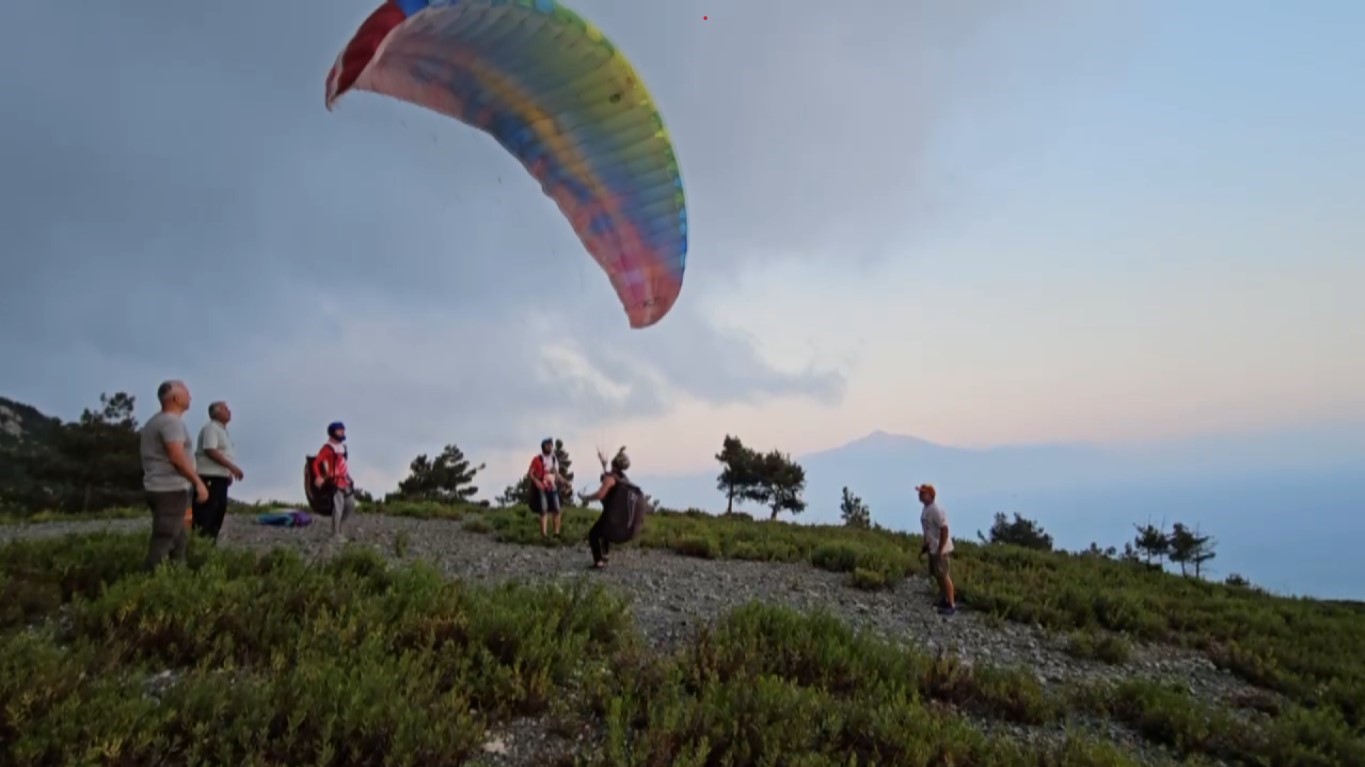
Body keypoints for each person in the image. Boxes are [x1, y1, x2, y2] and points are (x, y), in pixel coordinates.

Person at [138, 380, 208, 571]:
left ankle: (177, 578)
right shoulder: (171, 422)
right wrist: (198, 483)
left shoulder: (156, 421)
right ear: (176, 398)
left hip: (165, 488)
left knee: (179, 539)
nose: (190, 397)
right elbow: (177, 457)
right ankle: (150, 582)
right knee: (165, 538)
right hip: (169, 489)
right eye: (187, 393)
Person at [191, 400, 244, 542]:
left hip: (220, 478)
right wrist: (232, 468)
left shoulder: (222, 431)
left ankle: (209, 548)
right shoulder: (211, 428)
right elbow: (210, 450)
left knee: (217, 515)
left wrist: (227, 473)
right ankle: (199, 548)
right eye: (225, 409)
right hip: (209, 478)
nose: (229, 411)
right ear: (217, 411)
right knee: (206, 516)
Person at [579, 447, 632, 569]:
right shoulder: (623, 478)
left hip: (610, 512)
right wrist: (603, 464)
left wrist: (585, 498)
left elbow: (600, 494)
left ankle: (599, 562)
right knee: (605, 531)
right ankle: (606, 555)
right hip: (619, 513)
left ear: (614, 462)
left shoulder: (610, 477)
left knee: (593, 534)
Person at [312, 421, 355, 541]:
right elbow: (316, 463)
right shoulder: (327, 448)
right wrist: (318, 476)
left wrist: (349, 476)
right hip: (335, 481)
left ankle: (340, 530)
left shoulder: (343, 447)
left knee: (349, 506)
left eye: (343, 430)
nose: (342, 432)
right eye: (339, 430)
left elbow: (344, 464)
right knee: (338, 507)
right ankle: (335, 534)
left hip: (345, 480)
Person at [917, 483, 956, 615]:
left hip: (940, 548)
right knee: (938, 575)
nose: (920, 495)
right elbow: (928, 529)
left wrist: (941, 548)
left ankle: (951, 603)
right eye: (920, 493)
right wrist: (925, 545)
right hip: (933, 547)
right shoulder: (926, 509)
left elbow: (944, 529)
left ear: (930, 495)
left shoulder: (935, 509)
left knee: (944, 575)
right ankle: (944, 598)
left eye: (923, 493)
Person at [528, 437, 569, 539]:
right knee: (544, 510)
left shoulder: (554, 459)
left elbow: (556, 473)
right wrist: (536, 482)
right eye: (548, 445)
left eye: (551, 445)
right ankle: (544, 535)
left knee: (557, 509)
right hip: (542, 487)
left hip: (552, 487)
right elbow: (531, 473)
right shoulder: (537, 459)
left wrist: (564, 481)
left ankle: (556, 533)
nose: (550, 447)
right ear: (543, 446)